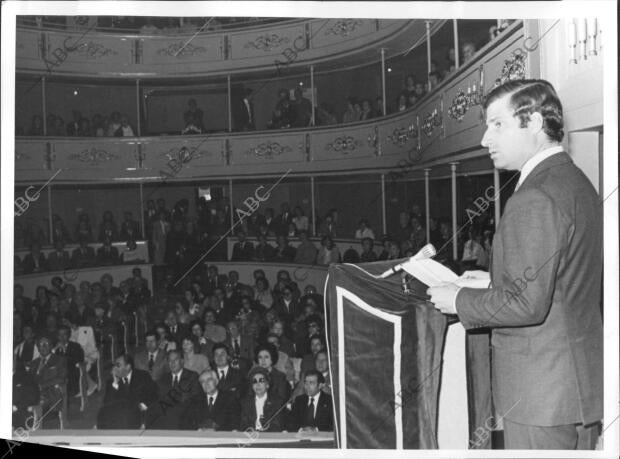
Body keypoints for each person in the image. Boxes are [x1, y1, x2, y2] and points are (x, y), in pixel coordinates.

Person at [428, 80, 603, 450]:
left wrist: (458, 299)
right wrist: (493, 279)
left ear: (535, 122)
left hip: (540, 395)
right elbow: (560, 282)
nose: (483, 139)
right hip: (572, 388)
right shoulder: (574, 182)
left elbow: (527, 303)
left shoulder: (535, 195)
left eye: (497, 125)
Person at [96, 353, 158, 429]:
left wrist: (143, 406)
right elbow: (107, 403)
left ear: (128, 367)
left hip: (140, 416)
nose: (114, 368)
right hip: (120, 418)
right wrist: (115, 383)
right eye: (114, 365)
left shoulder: (143, 376)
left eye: (118, 365)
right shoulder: (111, 381)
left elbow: (153, 395)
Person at [149, 350, 201, 429]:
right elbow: (160, 402)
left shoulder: (192, 376)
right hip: (167, 421)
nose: (172, 363)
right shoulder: (162, 379)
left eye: (175, 360)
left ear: (182, 361)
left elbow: (196, 398)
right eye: (170, 360)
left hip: (187, 419)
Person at [240, 367, 285, 432]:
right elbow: (243, 426)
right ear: (252, 386)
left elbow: (278, 425)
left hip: (270, 438)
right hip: (251, 438)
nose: (258, 384)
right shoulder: (245, 402)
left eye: (261, 381)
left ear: (267, 385)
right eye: (254, 381)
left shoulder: (277, 402)